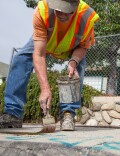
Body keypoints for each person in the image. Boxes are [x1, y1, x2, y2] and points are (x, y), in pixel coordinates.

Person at [0, 0, 99, 131]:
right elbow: (39, 54)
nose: (61, 14)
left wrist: (73, 61)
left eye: (66, 11)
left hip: (71, 46)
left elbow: (83, 46)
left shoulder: (87, 17)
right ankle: (13, 113)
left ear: (76, 6)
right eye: (58, 10)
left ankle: (68, 114)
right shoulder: (42, 11)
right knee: (21, 58)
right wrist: (45, 89)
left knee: (77, 67)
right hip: (46, 41)